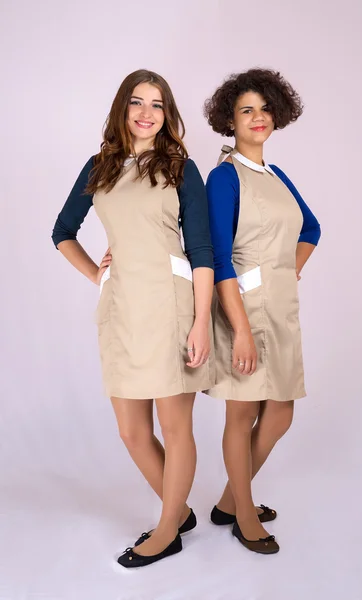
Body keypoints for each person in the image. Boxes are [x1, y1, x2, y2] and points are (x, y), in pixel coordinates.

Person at [52, 69, 215, 568]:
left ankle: (168, 528)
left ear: (167, 116)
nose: (146, 113)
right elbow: (62, 230)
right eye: (137, 102)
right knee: (131, 431)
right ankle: (179, 509)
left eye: (158, 104)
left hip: (172, 305)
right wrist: (96, 275)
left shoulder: (181, 168)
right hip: (122, 307)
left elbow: (203, 249)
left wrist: (202, 319)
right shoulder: (98, 166)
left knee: (174, 425)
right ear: (122, 108)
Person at [203, 68, 321, 554]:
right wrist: (241, 330)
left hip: (280, 311)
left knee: (280, 414)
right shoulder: (224, 177)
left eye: (264, 108)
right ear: (229, 120)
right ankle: (244, 516)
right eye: (245, 110)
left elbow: (310, 229)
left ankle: (233, 500)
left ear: (278, 114)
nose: (257, 117)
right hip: (241, 312)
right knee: (242, 414)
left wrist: (285, 270)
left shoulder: (276, 175)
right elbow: (219, 256)